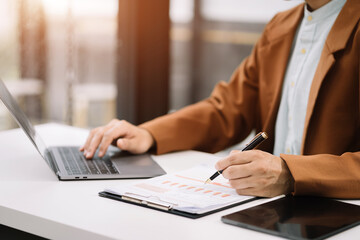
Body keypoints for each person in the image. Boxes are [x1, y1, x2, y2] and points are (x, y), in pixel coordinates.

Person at [81, 0, 360, 199]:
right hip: (271, 211)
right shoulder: (282, 26)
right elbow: (226, 110)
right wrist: (149, 133)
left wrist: (291, 173)